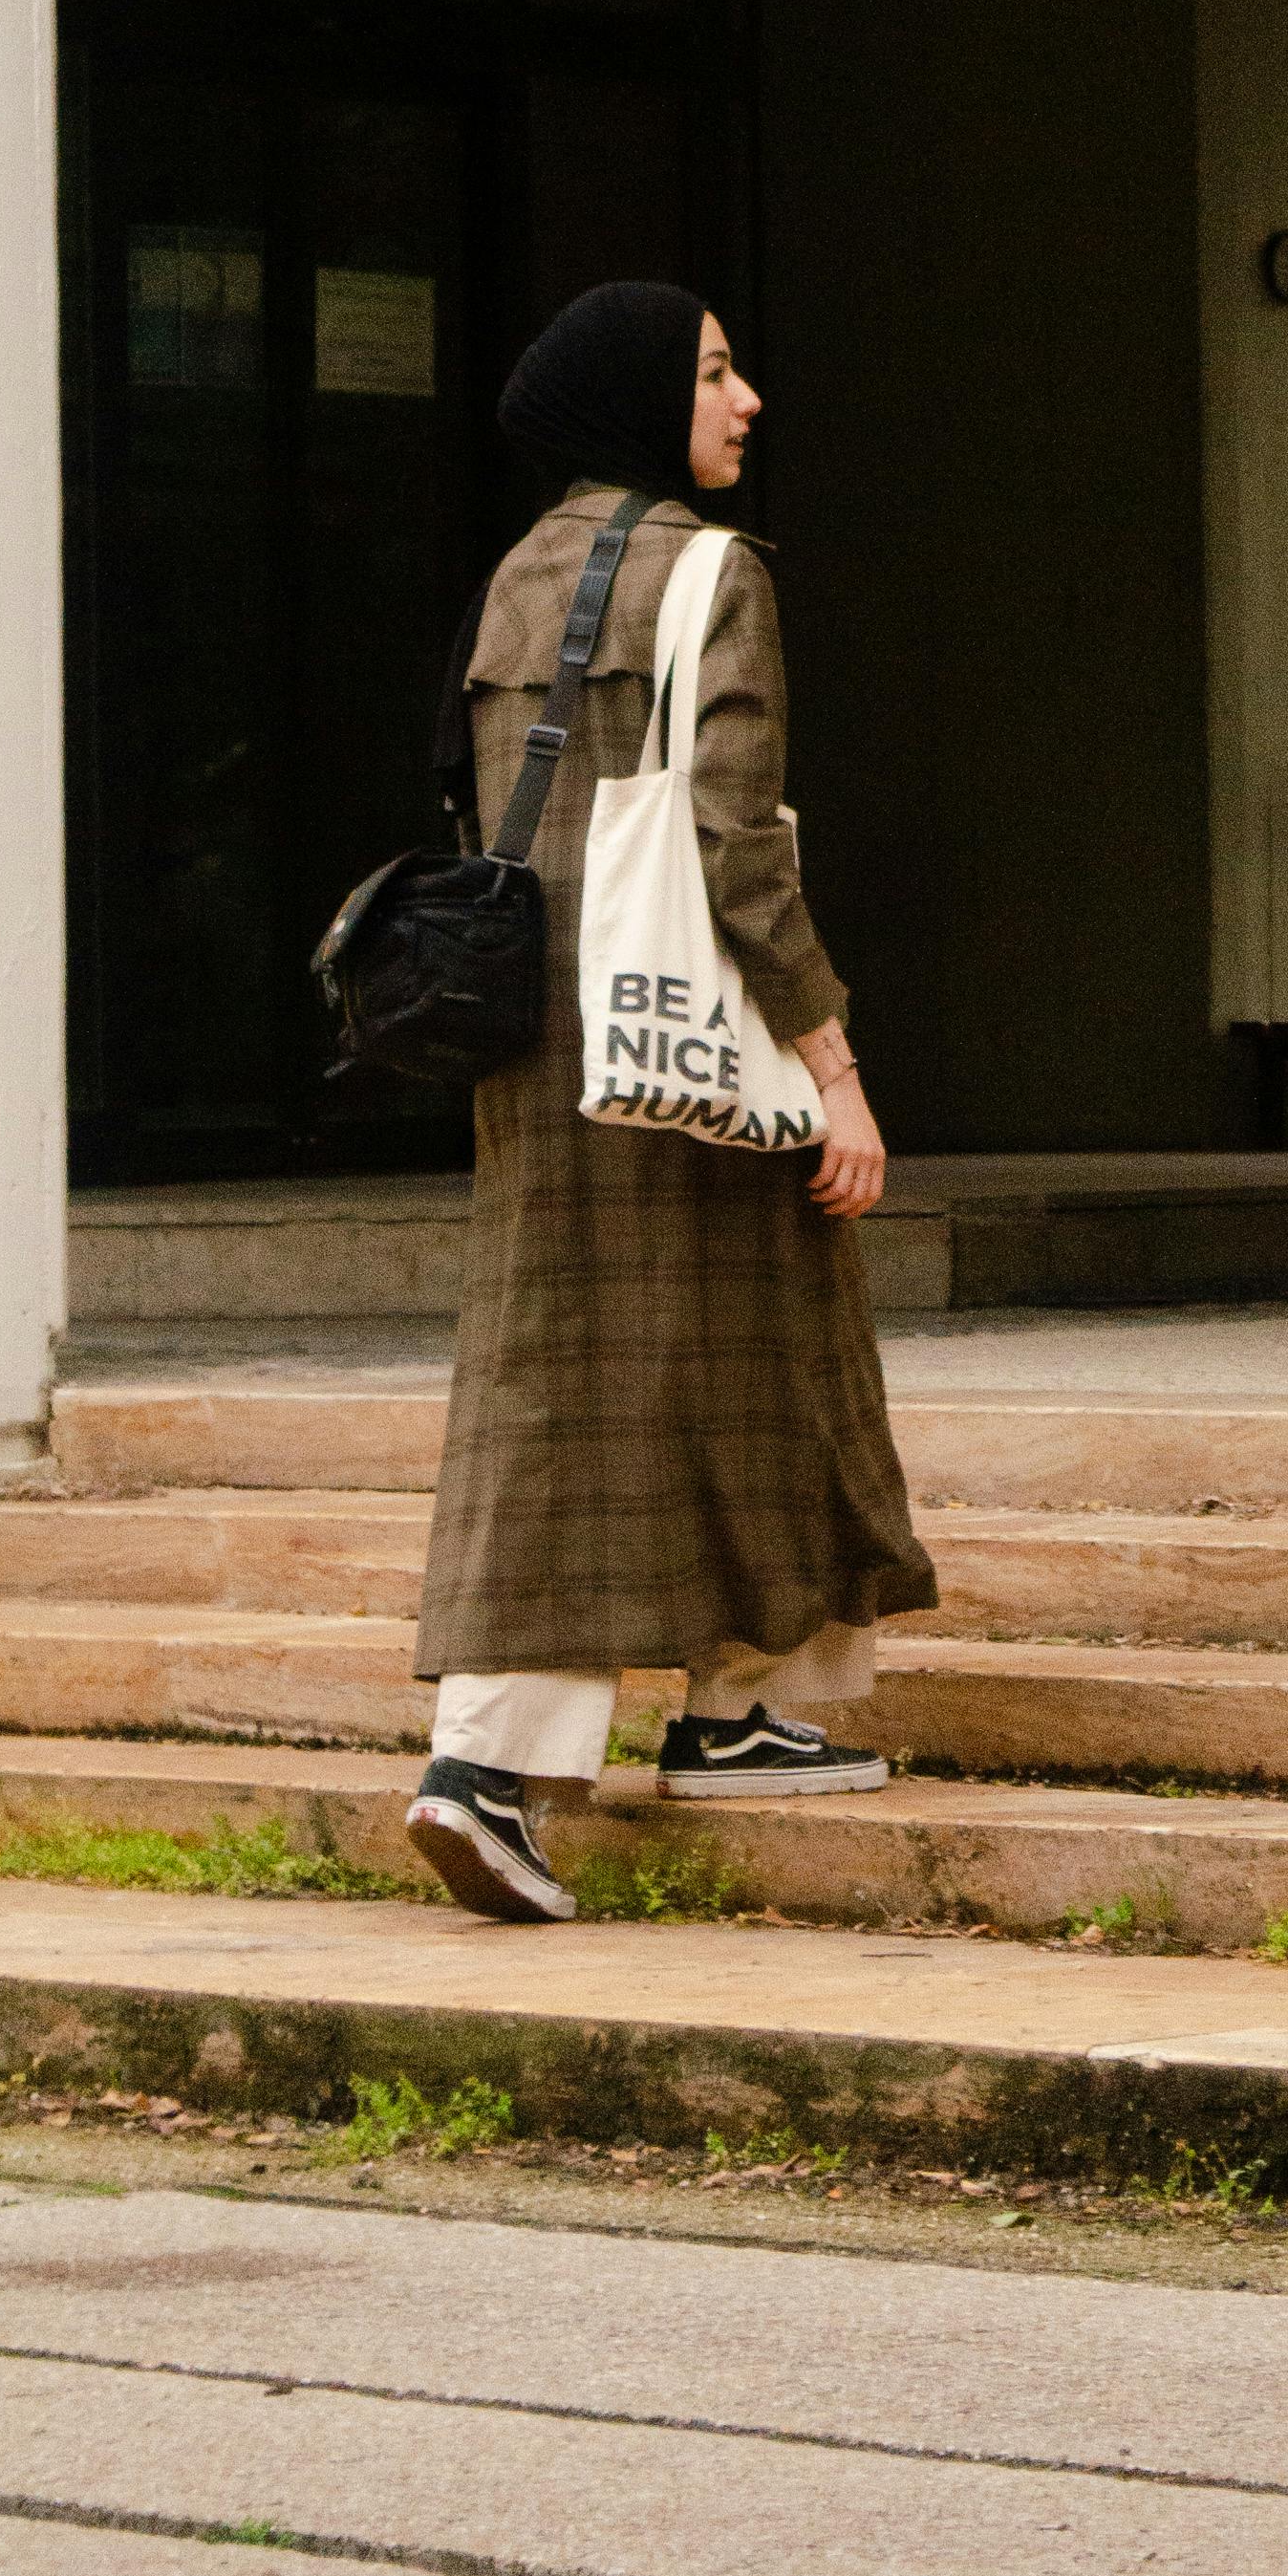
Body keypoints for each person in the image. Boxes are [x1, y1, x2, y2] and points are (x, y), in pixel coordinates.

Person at [405, 278, 935, 1924]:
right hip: (689, 1025)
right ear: (646, 398)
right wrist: (833, 1062)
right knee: (702, 1345)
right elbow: (734, 843)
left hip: (549, 1045)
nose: (749, 397)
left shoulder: (526, 574)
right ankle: (486, 1768)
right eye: (716, 371)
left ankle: (734, 1708)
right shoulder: (712, 572)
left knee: (604, 1355)